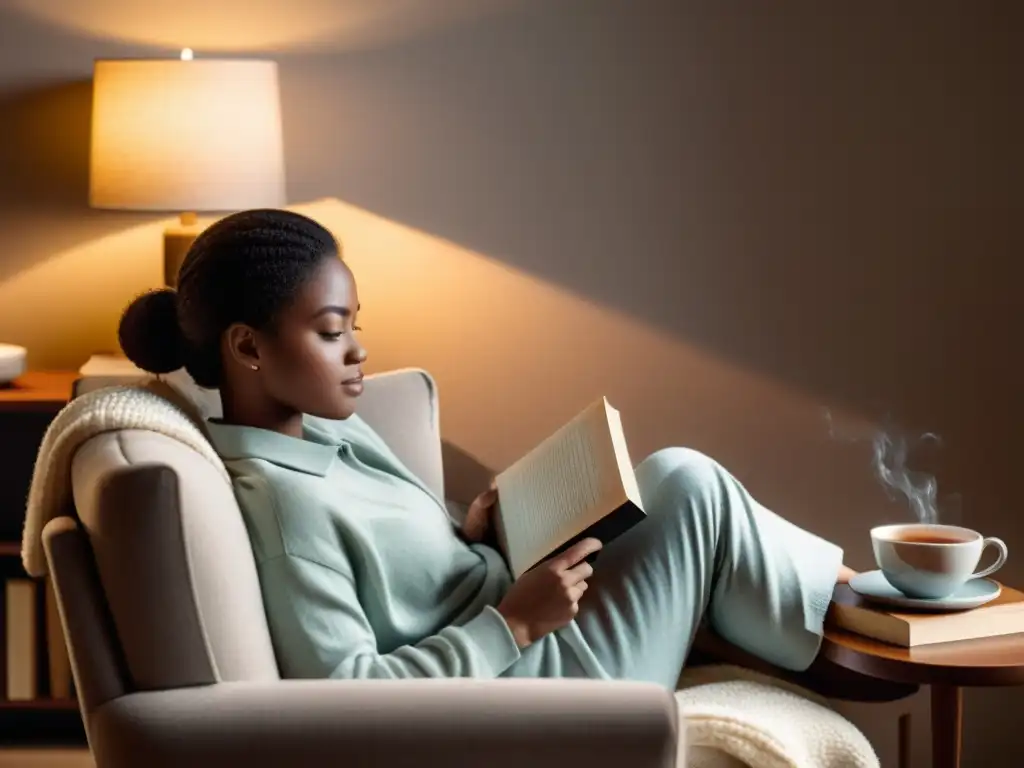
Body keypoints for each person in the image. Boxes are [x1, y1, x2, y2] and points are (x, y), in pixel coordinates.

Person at [117, 208, 855, 688]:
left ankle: (846, 617)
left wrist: (468, 535)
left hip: (524, 621)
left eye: (354, 324)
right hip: (533, 688)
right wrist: (514, 623)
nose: (358, 350)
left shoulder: (330, 428)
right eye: (332, 330)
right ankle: (856, 629)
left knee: (667, 477)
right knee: (690, 484)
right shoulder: (284, 512)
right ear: (246, 345)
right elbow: (349, 696)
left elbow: (404, 576)